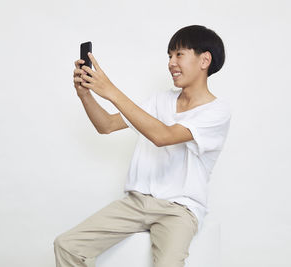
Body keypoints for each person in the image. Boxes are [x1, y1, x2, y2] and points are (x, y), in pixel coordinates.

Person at [54, 25, 231, 267]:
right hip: (136, 202)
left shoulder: (217, 112)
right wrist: (85, 94)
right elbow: (106, 125)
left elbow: (163, 136)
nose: (171, 63)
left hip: (179, 209)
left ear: (205, 60)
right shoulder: (160, 100)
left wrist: (112, 91)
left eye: (179, 54)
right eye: (169, 56)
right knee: (68, 246)